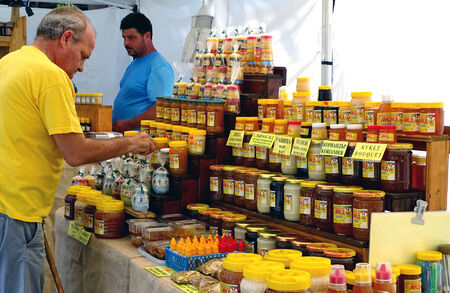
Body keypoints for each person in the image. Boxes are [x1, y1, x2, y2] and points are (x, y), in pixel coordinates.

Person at [0, 7, 155, 293]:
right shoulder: (51, 75)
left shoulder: (11, 61)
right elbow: (76, 152)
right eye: (83, 55)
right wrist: (131, 142)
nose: (82, 67)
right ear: (66, 38)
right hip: (18, 210)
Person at [112, 12, 174, 132]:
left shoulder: (159, 66)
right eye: (124, 38)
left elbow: (161, 108)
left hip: (142, 143)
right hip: (126, 140)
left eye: (131, 38)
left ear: (147, 36)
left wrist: (129, 124)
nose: (126, 43)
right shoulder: (135, 63)